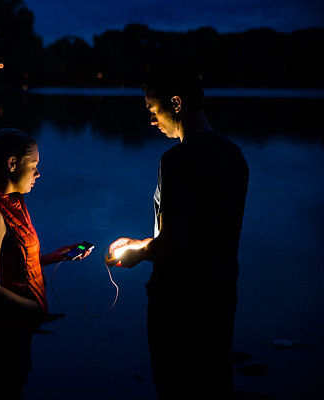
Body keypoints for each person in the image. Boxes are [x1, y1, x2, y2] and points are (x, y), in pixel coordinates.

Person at [108, 63, 249, 400]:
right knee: (215, 383)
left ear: (176, 103)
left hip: (179, 303)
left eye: (153, 110)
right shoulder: (233, 154)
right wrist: (143, 241)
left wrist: (136, 254)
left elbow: (173, 246)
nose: (152, 121)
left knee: (176, 387)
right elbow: (204, 231)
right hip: (220, 293)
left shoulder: (178, 160)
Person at [0, 128, 90, 400]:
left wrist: (54, 257)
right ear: (12, 164)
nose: (38, 174)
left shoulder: (13, 203)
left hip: (16, 328)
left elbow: (14, 264)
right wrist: (35, 308)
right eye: (34, 166)